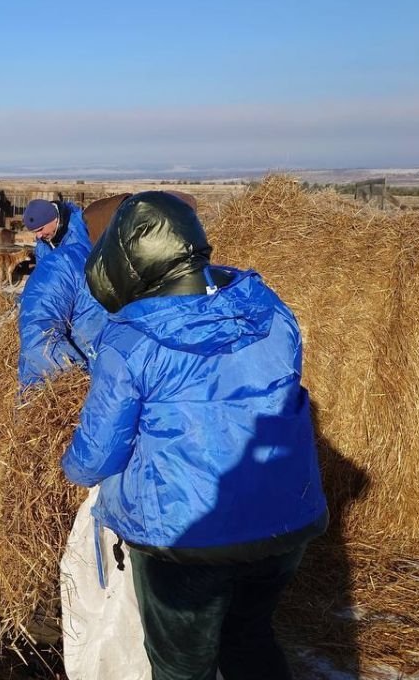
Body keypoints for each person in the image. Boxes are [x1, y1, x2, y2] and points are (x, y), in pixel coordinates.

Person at [61, 191, 327, 680]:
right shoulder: (267, 308)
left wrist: (71, 465)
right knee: (250, 639)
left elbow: (95, 457)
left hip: (186, 536)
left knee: (183, 666)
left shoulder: (131, 340)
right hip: (285, 522)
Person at [17, 197, 106, 387]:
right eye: (35, 233)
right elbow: (44, 275)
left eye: (40, 230)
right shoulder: (44, 243)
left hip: (84, 299)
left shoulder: (79, 230)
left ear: (54, 219)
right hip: (61, 299)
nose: (39, 236)